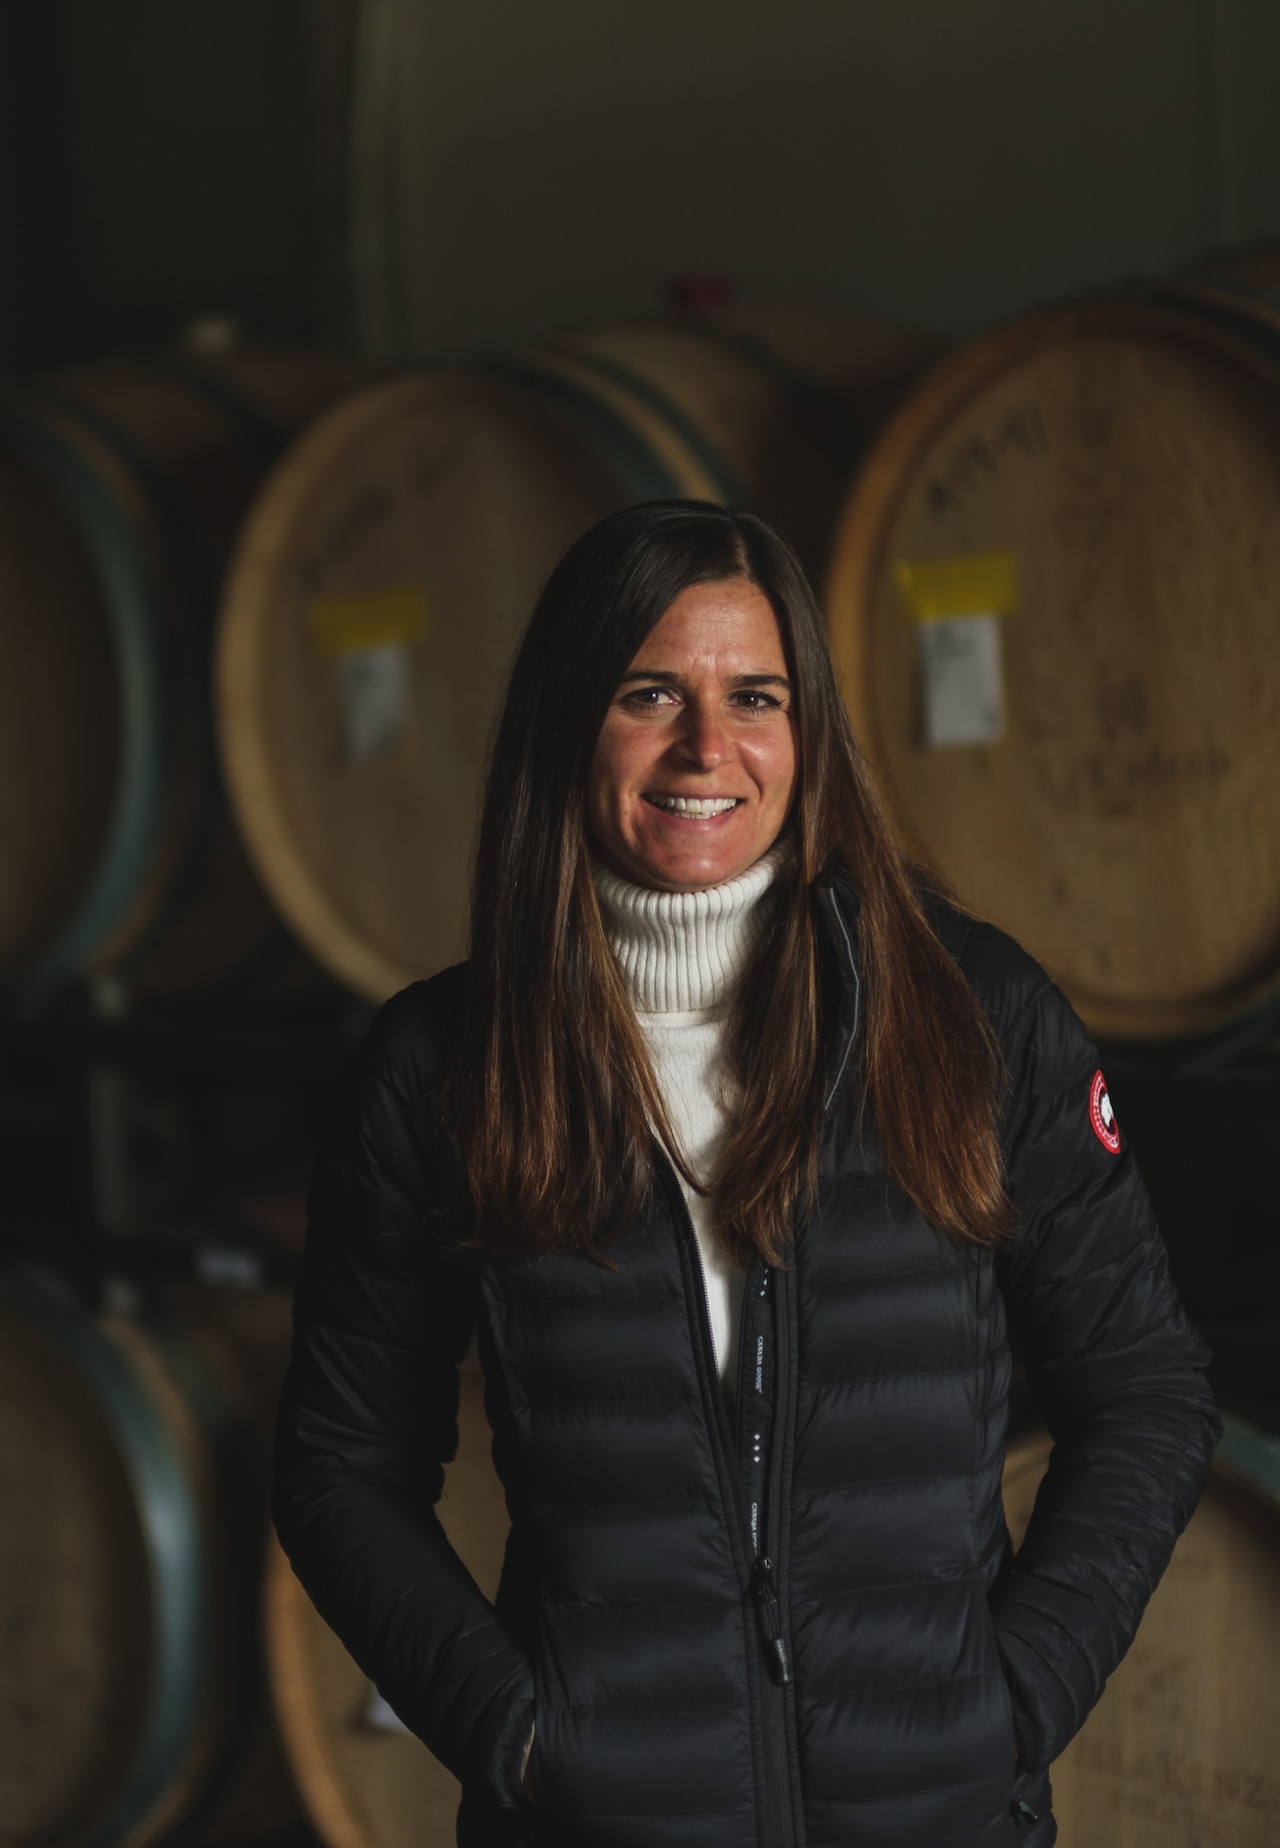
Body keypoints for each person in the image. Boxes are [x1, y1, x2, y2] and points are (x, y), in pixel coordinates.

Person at [273, 501, 1219, 1848]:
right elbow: (338, 1469)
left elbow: (1147, 1392)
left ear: (806, 734)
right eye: (650, 693)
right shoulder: (446, 1065)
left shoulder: (970, 1018)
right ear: (568, 722)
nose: (707, 749)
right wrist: (520, 1737)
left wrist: (1013, 1703)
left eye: (754, 697)